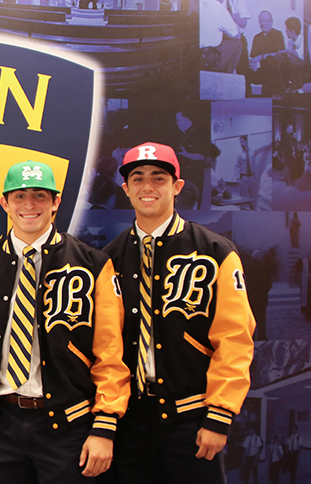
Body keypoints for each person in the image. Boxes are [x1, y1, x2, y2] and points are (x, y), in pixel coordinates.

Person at [0, 160, 130, 483]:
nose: (29, 205)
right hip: (0, 425)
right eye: (19, 196)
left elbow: (110, 352)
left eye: (40, 196)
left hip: (70, 426)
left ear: (56, 202)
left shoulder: (94, 265)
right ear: (4, 203)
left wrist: (105, 425)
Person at [103, 142, 256, 483]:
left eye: (159, 178)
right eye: (137, 178)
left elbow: (235, 339)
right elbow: (105, 346)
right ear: (125, 189)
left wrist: (220, 415)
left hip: (193, 418)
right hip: (130, 422)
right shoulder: (109, 258)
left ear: (178, 186)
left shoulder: (215, 251)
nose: (148, 187)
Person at [200, 0, 242, 73]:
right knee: (237, 44)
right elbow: (236, 35)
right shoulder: (217, 7)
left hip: (193, 53)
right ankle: (223, 80)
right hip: (209, 57)